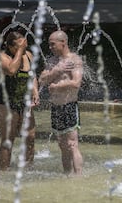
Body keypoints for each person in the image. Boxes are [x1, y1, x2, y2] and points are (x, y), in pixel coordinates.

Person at [39, 30, 84, 176]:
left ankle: (78, 177)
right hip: (56, 107)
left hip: (69, 105)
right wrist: (56, 71)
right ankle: (67, 176)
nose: (50, 47)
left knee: (72, 144)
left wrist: (57, 86)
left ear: (63, 43)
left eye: (53, 44)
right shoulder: (52, 62)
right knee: (62, 145)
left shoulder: (74, 60)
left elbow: (76, 83)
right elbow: (41, 80)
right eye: (49, 45)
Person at [0, 31, 39, 171]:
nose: (24, 49)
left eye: (24, 46)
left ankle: (27, 169)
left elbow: (33, 75)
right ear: (11, 47)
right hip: (5, 103)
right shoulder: (2, 57)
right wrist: (20, 51)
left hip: (23, 102)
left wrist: (35, 91)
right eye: (20, 46)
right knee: (9, 138)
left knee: (30, 136)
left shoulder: (28, 55)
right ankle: (4, 172)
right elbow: (12, 70)